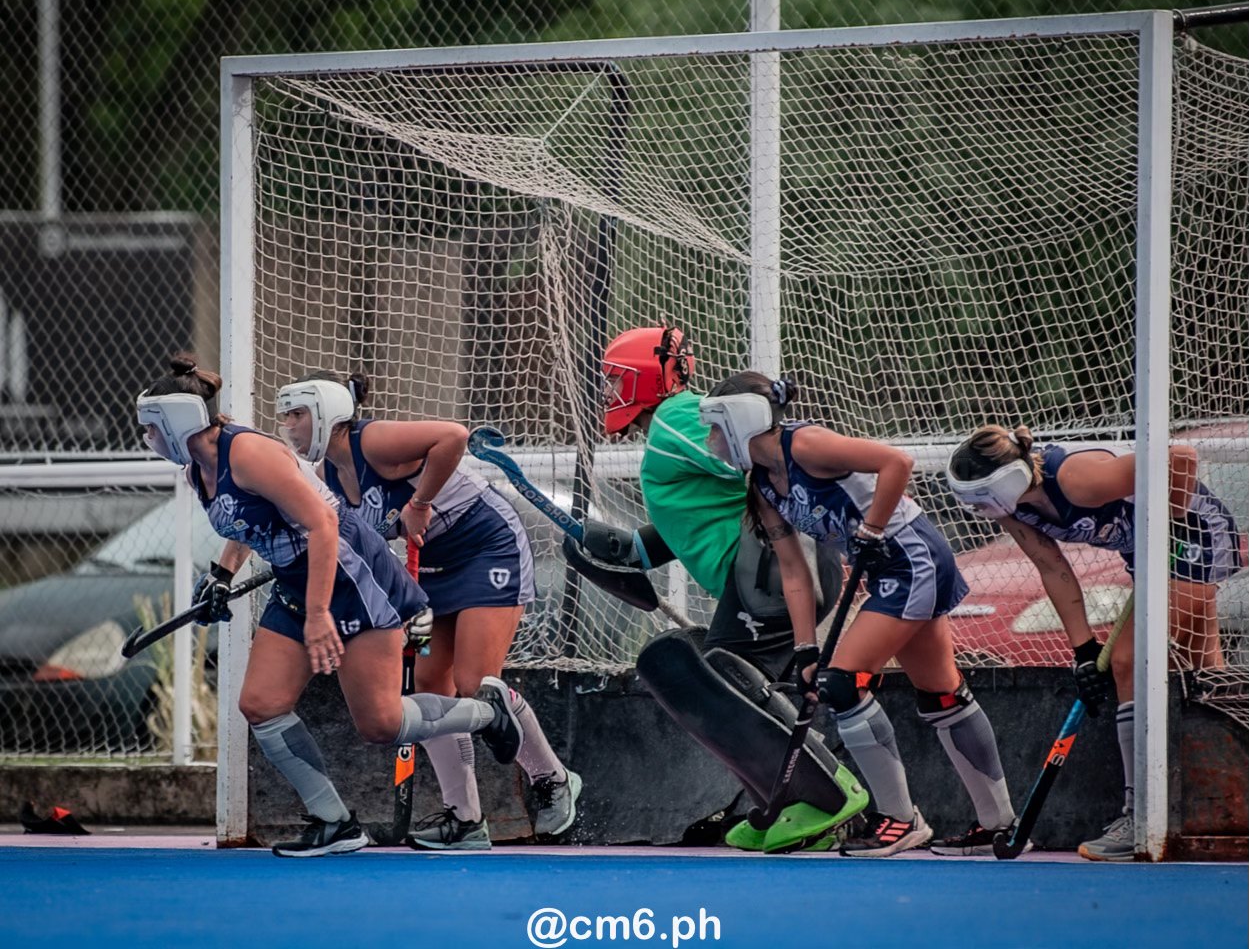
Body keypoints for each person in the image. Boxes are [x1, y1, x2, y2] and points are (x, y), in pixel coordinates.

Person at [136, 354, 523, 858]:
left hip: (346, 573)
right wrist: (220, 575)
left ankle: (484, 713)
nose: (146, 439)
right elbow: (246, 524)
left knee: (380, 724)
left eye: (150, 427)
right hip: (299, 580)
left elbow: (323, 524)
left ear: (176, 420)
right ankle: (335, 822)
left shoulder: (250, 453)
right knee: (261, 704)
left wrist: (319, 615)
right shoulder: (198, 471)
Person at [698, 371, 1021, 857]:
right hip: (890, 566)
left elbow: (897, 462)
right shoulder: (763, 485)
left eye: (717, 428)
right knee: (941, 694)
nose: (712, 441)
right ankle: (1000, 826)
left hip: (909, 557)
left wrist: (869, 531)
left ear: (742, 420)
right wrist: (807, 646)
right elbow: (794, 571)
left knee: (843, 683)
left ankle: (900, 819)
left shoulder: (806, 446)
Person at [577, 325, 868, 855]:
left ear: (648, 376)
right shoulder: (672, 430)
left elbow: (747, 454)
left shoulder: (676, 417)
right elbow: (690, 524)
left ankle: (826, 797)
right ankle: (790, 805)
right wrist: (614, 550)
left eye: (618, 378)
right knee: (743, 691)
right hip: (771, 570)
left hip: (769, 570)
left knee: (708, 680)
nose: (611, 390)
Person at [275, 371, 580, 849]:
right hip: (433, 563)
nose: (289, 425)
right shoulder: (326, 475)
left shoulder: (371, 440)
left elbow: (452, 437)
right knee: (431, 690)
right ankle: (465, 821)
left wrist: (420, 501)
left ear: (328, 413)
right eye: (285, 416)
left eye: (298, 414)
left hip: (486, 546)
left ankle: (553, 779)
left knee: (476, 686)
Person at [947, 424, 1241, 861]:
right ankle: (1230, 796)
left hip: (1192, 536)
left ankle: (1137, 811)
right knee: (1203, 672)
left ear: (1004, 482)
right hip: (1148, 552)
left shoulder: (1076, 479)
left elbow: (1180, 457)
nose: (977, 511)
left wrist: (1169, 519)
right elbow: (1052, 568)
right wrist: (1083, 648)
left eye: (980, 498)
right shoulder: (1014, 510)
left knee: (1128, 660)